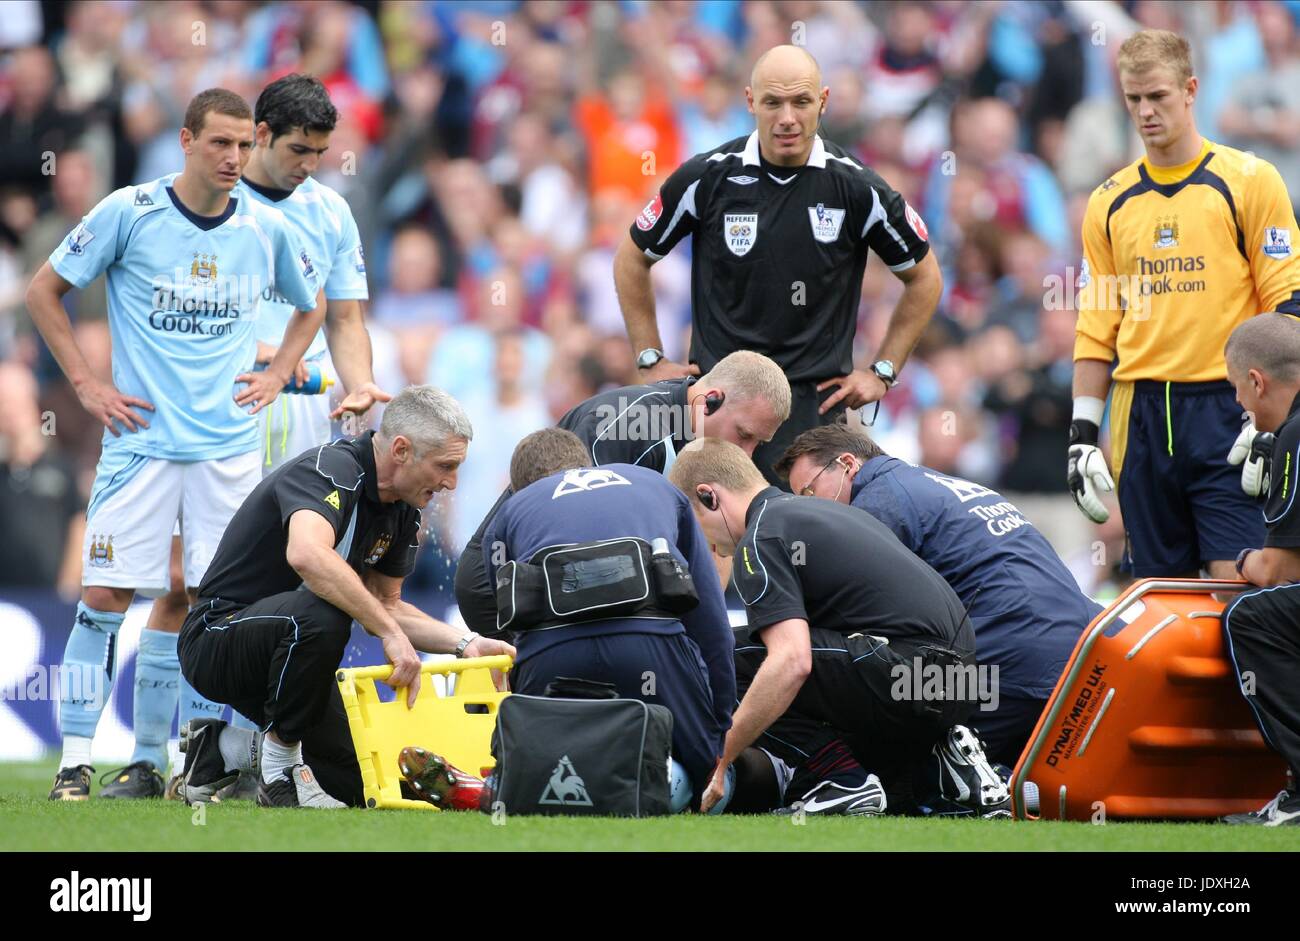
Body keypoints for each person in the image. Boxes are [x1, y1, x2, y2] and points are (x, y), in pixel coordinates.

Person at [29, 88, 326, 802]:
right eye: (219, 143)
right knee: (102, 594)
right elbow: (44, 290)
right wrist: (86, 385)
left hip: (227, 451)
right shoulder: (130, 213)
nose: (233, 158)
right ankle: (74, 761)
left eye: (243, 145)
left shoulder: (263, 228)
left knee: (203, 603)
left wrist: (283, 370)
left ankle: (159, 761)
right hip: (141, 444)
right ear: (187, 141)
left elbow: (313, 303)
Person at [614, 44, 941, 484]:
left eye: (801, 102)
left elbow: (925, 277)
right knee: (715, 540)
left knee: (794, 544)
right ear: (750, 102)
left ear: (822, 102)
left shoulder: (858, 189)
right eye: (773, 102)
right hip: (720, 406)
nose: (787, 117)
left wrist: (883, 370)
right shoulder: (707, 178)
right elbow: (632, 257)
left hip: (812, 414)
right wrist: (650, 357)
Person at [176, 386, 514, 809]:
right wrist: (389, 632)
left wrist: (465, 644)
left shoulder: (403, 510)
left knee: (365, 779)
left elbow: (386, 605)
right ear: (402, 450)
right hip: (216, 638)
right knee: (323, 614)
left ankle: (221, 748)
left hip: (292, 654)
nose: (451, 483)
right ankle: (280, 769)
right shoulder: (331, 468)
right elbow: (307, 554)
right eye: (445, 466)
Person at [668, 438, 1010, 817]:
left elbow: (792, 662)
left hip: (904, 674)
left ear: (709, 497)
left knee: (723, 657)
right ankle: (943, 760)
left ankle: (843, 782)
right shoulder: (828, 513)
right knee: (897, 801)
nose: (708, 547)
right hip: (960, 685)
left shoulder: (761, 535)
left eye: (696, 526)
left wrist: (720, 760)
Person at [1069, 29, 1300, 582]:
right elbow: (1097, 324)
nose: (1145, 112)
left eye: (1158, 96)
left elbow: (1287, 303)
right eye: (1133, 99)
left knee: (1238, 579)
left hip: (1229, 407)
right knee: (1157, 591)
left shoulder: (1248, 180)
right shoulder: (1107, 202)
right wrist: (1081, 434)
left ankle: (1248, 674)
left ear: (1191, 89)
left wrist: (1276, 417)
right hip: (1141, 411)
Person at [777, 423, 1102, 766]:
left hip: (1010, 660)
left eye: (809, 493)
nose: (806, 508)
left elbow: (839, 604)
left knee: (908, 776)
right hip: (1081, 656)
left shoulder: (879, 501)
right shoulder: (939, 484)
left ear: (847, 464)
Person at [475, 428, 735, 808]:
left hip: (552, 652)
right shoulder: (656, 485)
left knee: (535, 783)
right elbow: (712, 626)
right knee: (708, 783)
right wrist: (719, 731)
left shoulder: (511, 511)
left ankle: (516, 781)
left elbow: (514, 622)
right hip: (654, 644)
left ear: (519, 487)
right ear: (587, 465)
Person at [453, 349, 791, 635]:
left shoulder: (706, 438)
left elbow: (716, 548)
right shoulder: (624, 424)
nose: (747, 453)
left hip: (560, 590)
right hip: (498, 589)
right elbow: (565, 530)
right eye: (744, 435)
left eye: (758, 443)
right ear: (710, 401)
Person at [1220, 313, 1300, 826]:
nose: (1238, 405)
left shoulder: (1292, 437)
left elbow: (1280, 570)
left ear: (1257, 380)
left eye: (1236, 389)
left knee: (1249, 614)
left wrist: (1244, 561)